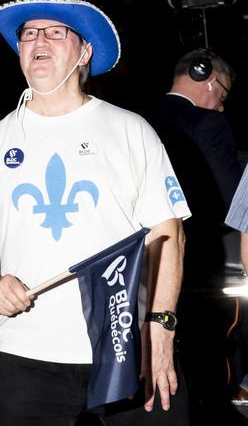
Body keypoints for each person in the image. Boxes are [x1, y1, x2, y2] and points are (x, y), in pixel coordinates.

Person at [0, 0, 190, 425]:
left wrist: (160, 325)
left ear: (84, 52)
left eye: (55, 32)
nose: (38, 42)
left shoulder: (129, 129)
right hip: (25, 357)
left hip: (125, 346)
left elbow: (167, 233)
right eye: (28, 34)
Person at [146, 49, 241, 420]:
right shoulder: (210, 123)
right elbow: (235, 201)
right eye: (224, 94)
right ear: (209, 79)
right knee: (211, 361)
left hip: (148, 268)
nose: (221, 106)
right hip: (200, 265)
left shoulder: (135, 120)